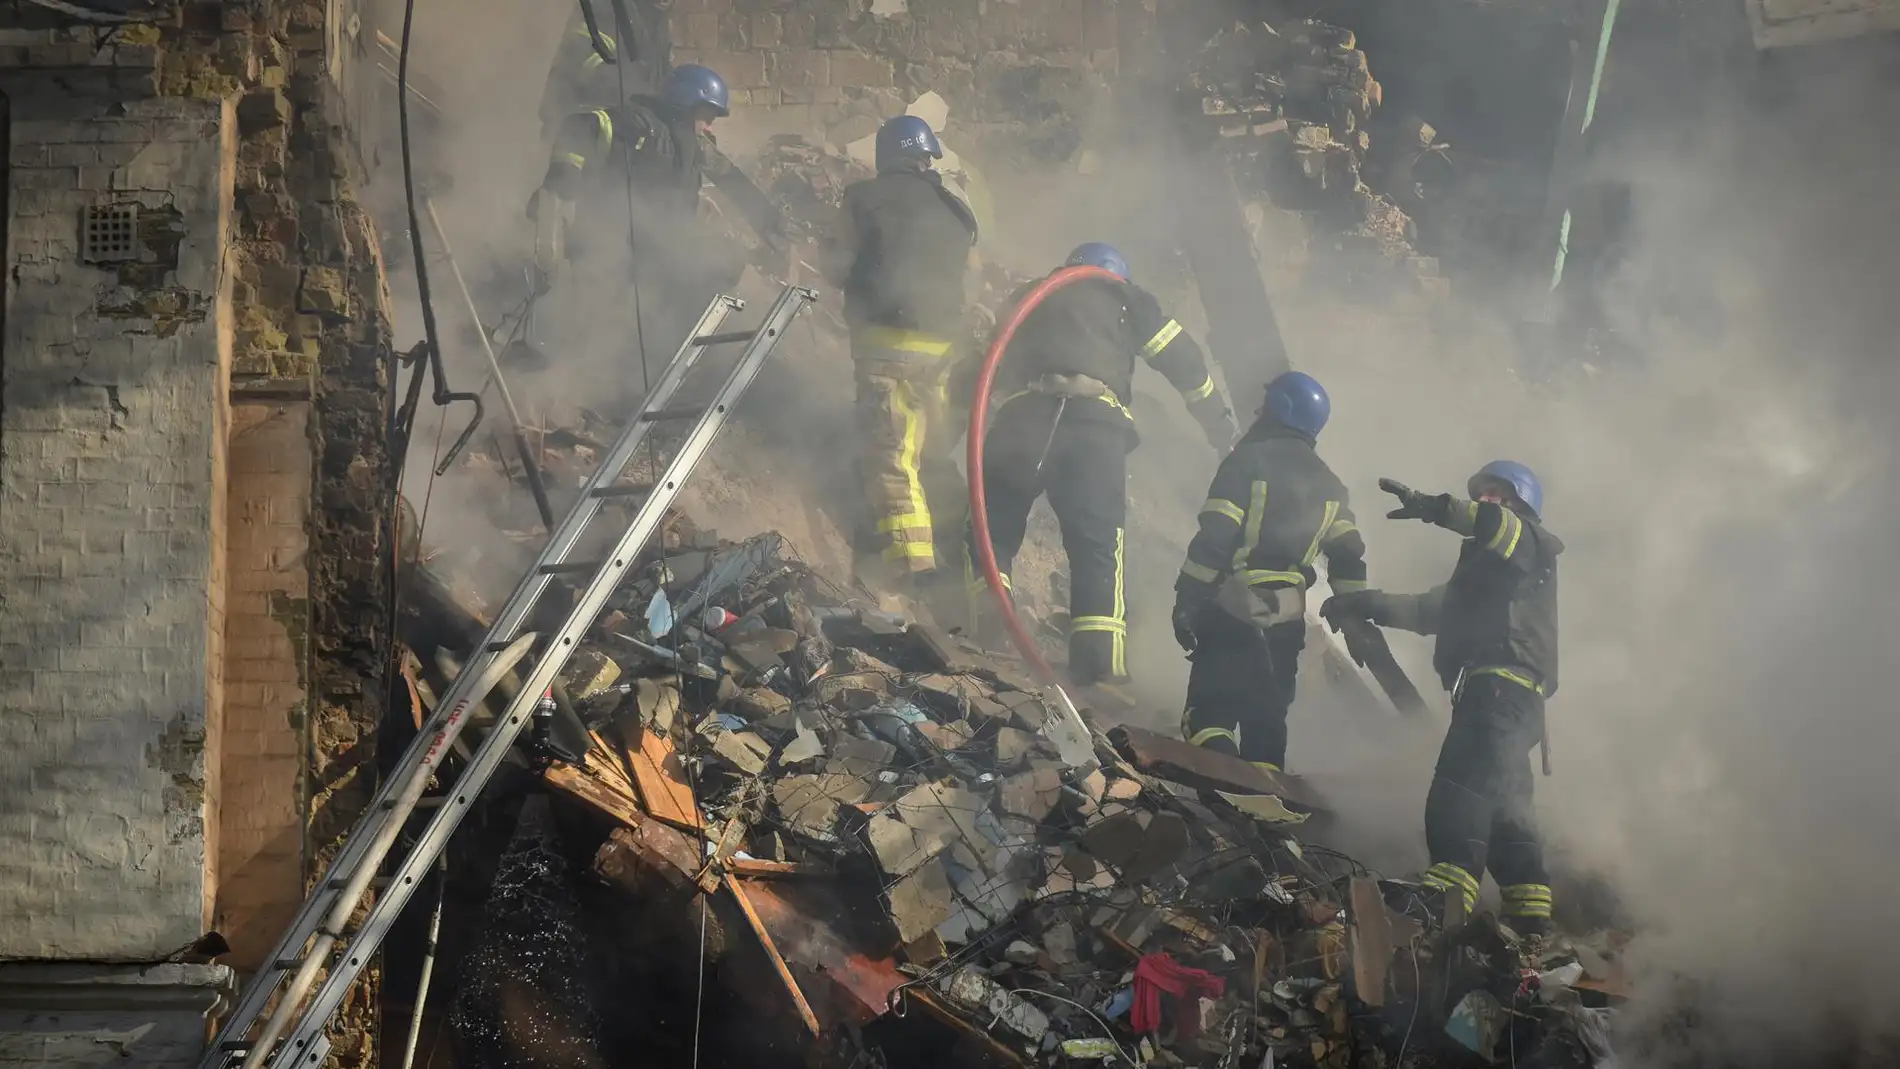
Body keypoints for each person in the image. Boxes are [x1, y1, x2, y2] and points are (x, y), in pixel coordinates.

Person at [967, 242, 1237, 686]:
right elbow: (1186, 364)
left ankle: (988, 625)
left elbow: (986, 362)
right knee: (1098, 545)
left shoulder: (1032, 294)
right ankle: (1100, 666)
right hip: (1095, 430)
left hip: (1026, 418)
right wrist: (1219, 428)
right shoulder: (1128, 299)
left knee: (990, 523)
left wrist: (949, 425)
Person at [1321, 461, 1562, 934]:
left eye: (1496, 492)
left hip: (1496, 691)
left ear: (1520, 504)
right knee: (1506, 805)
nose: (1484, 499)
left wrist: (1431, 507)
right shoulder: (1491, 577)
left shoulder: (1527, 540)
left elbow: (1492, 523)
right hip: (1515, 702)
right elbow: (1427, 611)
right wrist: (1361, 603)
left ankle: (1444, 900)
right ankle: (1531, 916)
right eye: (1481, 492)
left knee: (1460, 788)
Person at [526, 63, 786, 384]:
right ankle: (595, 377)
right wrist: (562, 178)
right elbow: (580, 126)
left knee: (724, 258)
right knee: (608, 326)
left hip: (661, 250)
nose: (709, 125)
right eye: (706, 115)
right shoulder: (638, 124)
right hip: (612, 245)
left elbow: (732, 180)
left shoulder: (696, 145)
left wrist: (770, 222)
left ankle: (665, 358)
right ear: (685, 102)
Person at [818, 115, 981, 593]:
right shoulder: (957, 208)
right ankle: (966, 562)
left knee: (891, 458)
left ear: (884, 156)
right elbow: (972, 276)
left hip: (888, 349)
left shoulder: (863, 199)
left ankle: (914, 570)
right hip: (946, 352)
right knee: (930, 452)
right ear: (928, 157)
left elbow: (836, 265)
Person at [1172, 371, 1365, 773]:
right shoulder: (1332, 486)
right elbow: (1348, 557)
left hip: (1234, 612)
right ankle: (1261, 806)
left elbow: (1215, 536)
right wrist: (1355, 615)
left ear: (1278, 409)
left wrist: (1188, 599)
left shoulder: (1248, 460)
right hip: (1286, 624)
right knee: (1266, 730)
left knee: (1207, 718)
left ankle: (1221, 793)